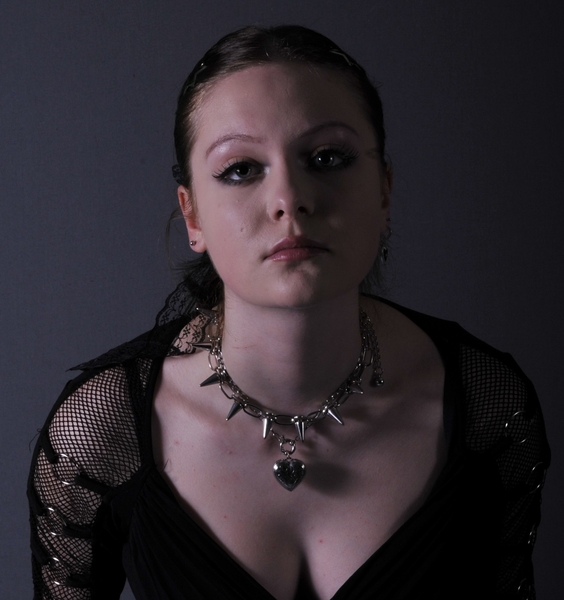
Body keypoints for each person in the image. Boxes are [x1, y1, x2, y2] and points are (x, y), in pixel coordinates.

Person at [28, 25, 550, 600]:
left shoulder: (486, 407)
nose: (290, 199)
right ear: (192, 215)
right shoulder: (102, 430)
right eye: (241, 169)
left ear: (384, 190)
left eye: (327, 158)